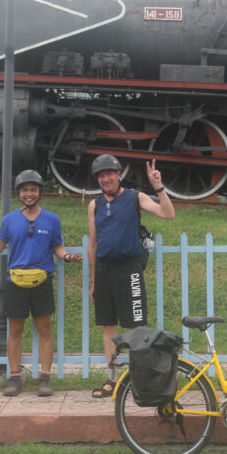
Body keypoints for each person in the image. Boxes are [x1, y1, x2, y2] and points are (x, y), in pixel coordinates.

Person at [0, 169, 82, 397]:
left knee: (44, 329)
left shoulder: (52, 219)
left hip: (42, 280)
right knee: (14, 331)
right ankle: (14, 377)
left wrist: (66, 256)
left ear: (40, 192)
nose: (29, 194)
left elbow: (58, 247)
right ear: (19, 193)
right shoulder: (10, 220)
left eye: (33, 189)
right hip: (16, 281)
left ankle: (44, 377)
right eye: (25, 190)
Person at [87, 155, 174, 398]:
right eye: (101, 176)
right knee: (108, 326)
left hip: (130, 268)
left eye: (110, 174)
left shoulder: (135, 197)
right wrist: (93, 281)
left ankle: (141, 377)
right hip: (104, 270)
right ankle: (112, 379)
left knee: (137, 326)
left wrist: (158, 186)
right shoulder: (94, 205)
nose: (106, 179)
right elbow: (92, 245)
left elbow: (168, 214)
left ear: (118, 174)